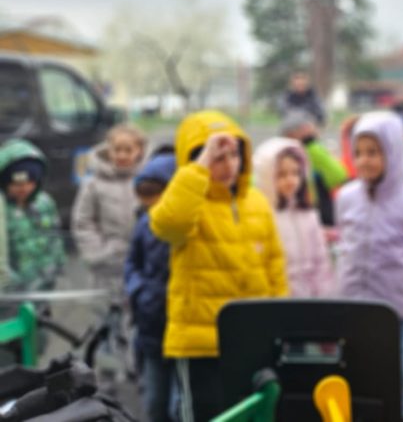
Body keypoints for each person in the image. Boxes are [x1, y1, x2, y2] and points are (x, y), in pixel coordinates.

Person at [150, 110, 287, 421]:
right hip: (199, 346)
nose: (227, 166)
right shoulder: (190, 201)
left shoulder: (257, 201)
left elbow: (274, 266)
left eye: (234, 155)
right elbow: (168, 224)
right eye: (216, 157)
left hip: (252, 340)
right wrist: (200, 165)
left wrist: (279, 326)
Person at [335, 111, 403, 422]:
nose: (365, 161)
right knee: (356, 378)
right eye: (359, 153)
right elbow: (344, 239)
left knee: (402, 383)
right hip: (353, 309)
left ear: (392, 153)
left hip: (397, 313)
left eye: (374, 152)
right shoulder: (346, 198)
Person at [124, 151, 176, 422]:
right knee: (155, 403)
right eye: (144, 197)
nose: (149, 203)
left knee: (178, 406)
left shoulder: (183, 226)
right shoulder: (143, 224)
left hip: (179, 328)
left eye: (154, 194)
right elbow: (132, 263)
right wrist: (138, 290)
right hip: (151, 326)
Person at [72, 124, 148, 299]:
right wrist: (97, 253)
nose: (121, 155)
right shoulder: (93, 184)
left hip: (142, 264)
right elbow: (83, 222)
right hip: (107, 266)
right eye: (117, 150)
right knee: (107, 315)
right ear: (109, 150)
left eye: (128, 150)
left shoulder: (148, 181)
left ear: (140, 152)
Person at [253, 137, 335, 297]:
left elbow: (321, 261)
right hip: (278, 300)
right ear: (267, 177)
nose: (291, 180)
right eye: (281, 174)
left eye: (296, 173)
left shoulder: (309, 215)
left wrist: (324, 296)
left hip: (309, 299)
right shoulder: (264, 217)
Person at [0, 139, 65, 291]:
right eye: (16, 183)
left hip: (43, 283)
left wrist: (57, 264)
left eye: (30, 182)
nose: (23, 188)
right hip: (13, 290)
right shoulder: (2, 210)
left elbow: (55, 236)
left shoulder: (45, 203)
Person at [281, 109, 349, 227]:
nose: (315, 128)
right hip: (318, 211)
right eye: (310, 125)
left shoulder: (278, 152)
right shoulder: (312, 149)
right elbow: (339, 175)